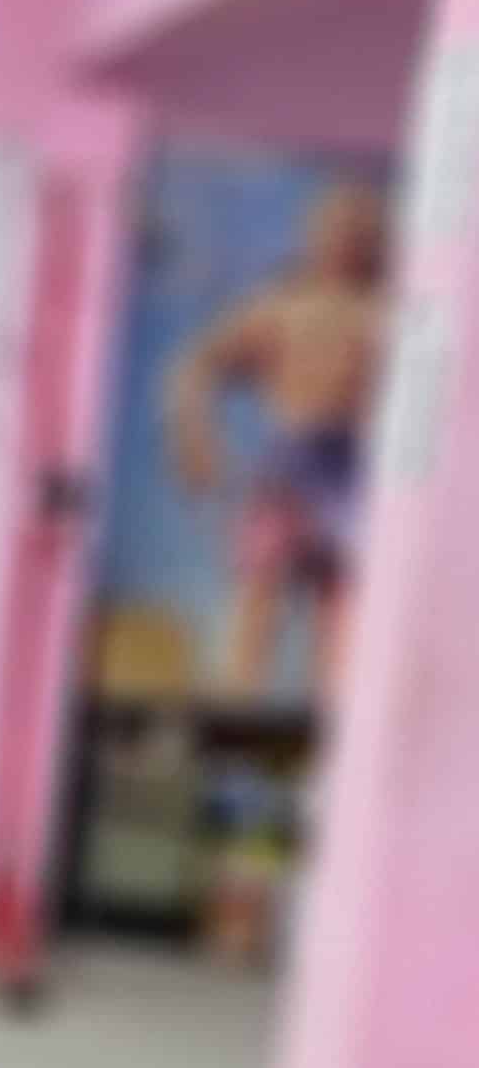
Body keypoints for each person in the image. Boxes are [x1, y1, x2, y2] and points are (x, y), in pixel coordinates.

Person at [163, 176, 389, 706]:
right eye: (336, 227)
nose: (346, 239)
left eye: (360, 229)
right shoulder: (280, 307)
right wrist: (195, 439)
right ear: (314, 234)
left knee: (343, 601)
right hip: (290, 459)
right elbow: (195, 367)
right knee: (260, 590)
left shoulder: (385, 313)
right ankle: (236, 705)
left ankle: (340, 719)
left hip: (354, 468)